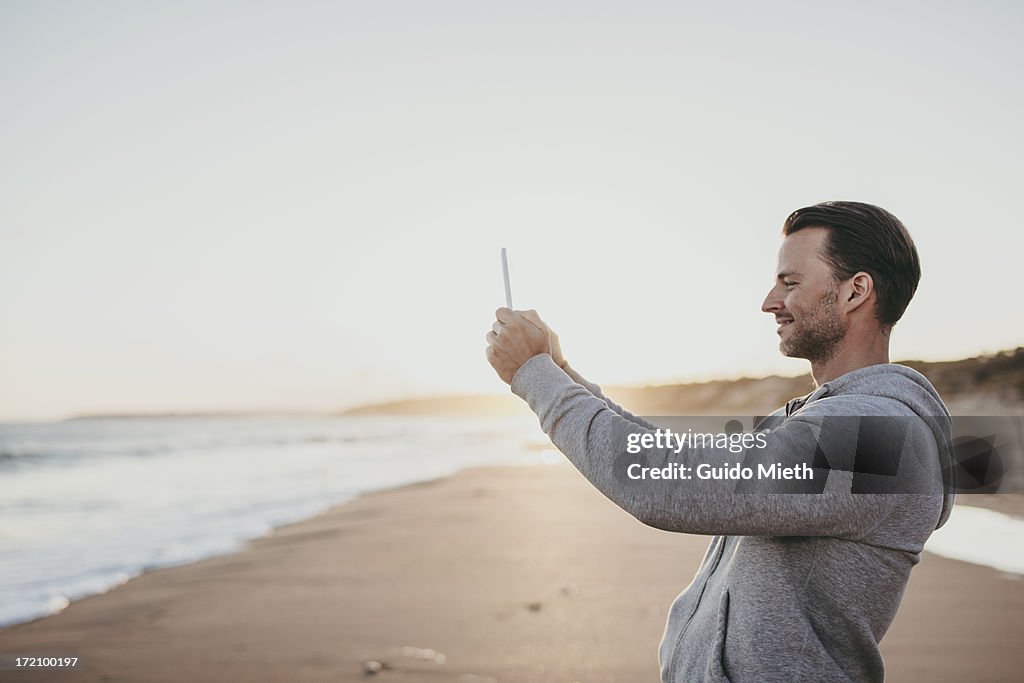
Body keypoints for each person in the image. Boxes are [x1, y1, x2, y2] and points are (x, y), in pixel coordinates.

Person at [485, 201, 953, 682]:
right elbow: (676, 459)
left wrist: (534, 376)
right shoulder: (825, 421)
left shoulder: (878, 438)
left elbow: (662, 483)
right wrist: (562, 374)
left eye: (790, 283)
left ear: (856, 291)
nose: (770, 301)